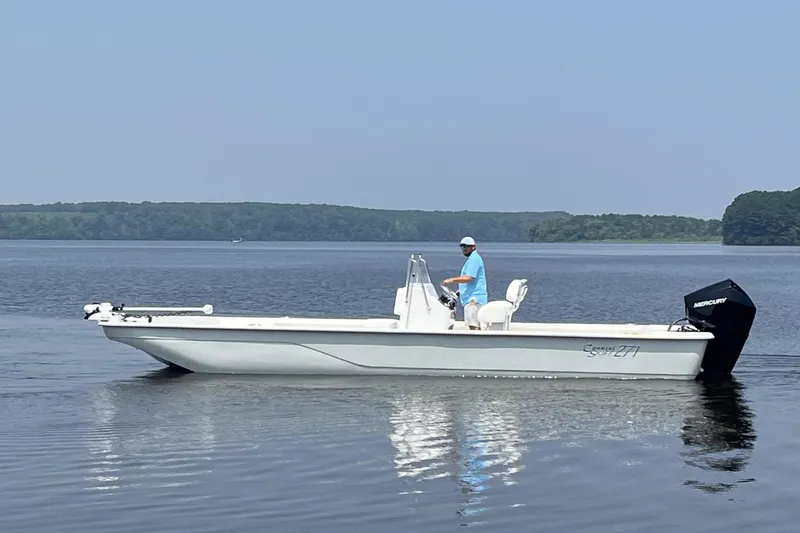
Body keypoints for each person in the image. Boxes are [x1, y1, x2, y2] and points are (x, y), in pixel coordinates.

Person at [443, 236, 488, 330]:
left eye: (466, 246)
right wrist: (460, 290)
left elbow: (468, 278)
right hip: (471, 297)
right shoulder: (473, 259)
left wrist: (451, 280)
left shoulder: (474, 260)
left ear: (473, 247)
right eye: (462, 246)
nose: (464, 248)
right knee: (473, 325)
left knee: (474, 326)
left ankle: (477, 343)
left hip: (474, 300)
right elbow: (472, 280)